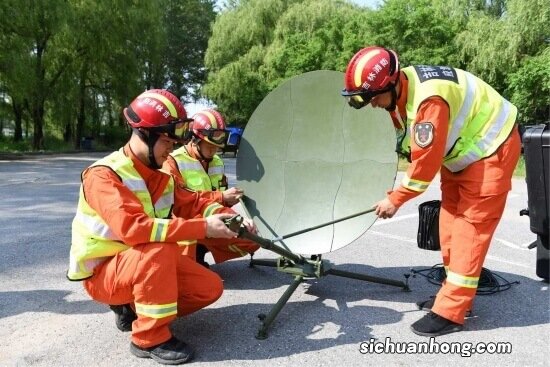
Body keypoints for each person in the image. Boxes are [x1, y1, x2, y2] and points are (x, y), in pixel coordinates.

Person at [67, 89, 257, 365]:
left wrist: (228, 218)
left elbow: (195, 203)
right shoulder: (104, 175)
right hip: (104, 274)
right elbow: (136, 229)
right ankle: (148, 337)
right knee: (159, 248)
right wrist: (204, 228)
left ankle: (135, 307)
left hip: (138, 265)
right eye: (167, 142)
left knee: (209, 287)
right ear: (144, 134)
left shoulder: (160, 176)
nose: (171, 149)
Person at [341, 46, 520, 337]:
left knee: (469, 231)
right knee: (448, 225)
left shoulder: (429, 102)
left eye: (373, 98)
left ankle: (451, 312)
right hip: (462, 155)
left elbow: (424, 167)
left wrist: (395, 199)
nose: (371, 105)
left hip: (491, 151)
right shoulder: (404, 87)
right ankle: (452, 296)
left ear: (391, 83)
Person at [163, 108, 259, 267]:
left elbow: (218, 203)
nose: (214, 151)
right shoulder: (172, 162)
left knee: (251, 241)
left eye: (217, 147)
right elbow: (178, 203)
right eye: (209, 146)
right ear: (194, 140)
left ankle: (201, 251)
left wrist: (229, 200)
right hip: (185, 226)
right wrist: (221, 197)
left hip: (210, 222)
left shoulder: (217, 162)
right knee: (193, 278)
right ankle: (185, 263)